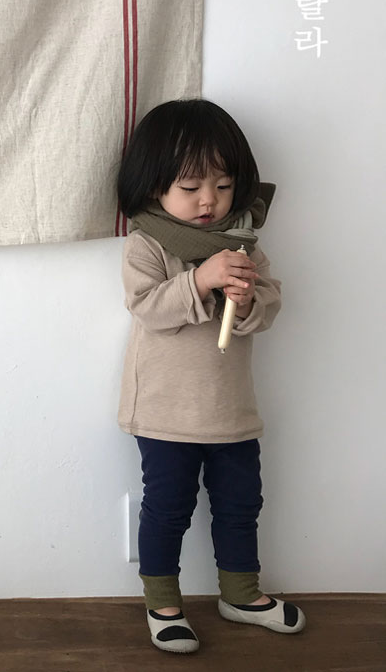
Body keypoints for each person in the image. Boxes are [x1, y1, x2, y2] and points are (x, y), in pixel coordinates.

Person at [116, 99, 305, 654]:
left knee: (242, 503)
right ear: (155, 186)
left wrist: (246, 300)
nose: (209, 200)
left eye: (223, 186)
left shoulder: (244, 244)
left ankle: (240, 594)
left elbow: (267, 309)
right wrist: (201, 280)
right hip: (166, 412)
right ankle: (162, 603)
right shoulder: (147, 242)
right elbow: (148, 308)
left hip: (230, 410)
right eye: (191, 186)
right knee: (167, 507)